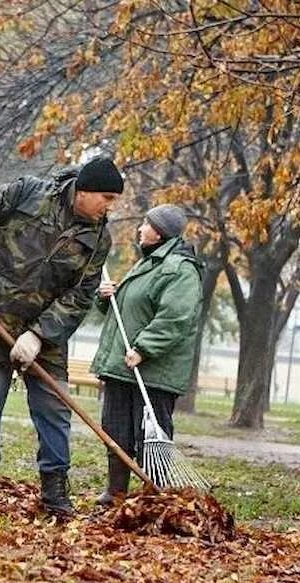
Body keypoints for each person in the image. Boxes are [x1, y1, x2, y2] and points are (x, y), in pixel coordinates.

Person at [0, 156, 124, 518]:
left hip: (46, 334)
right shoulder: (30, 194)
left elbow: (80, 295)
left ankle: (55, 495)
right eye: (107, 197)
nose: (111, 206)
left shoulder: (98, 239)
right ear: (84, 190)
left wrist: (39, 336)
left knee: (55, 410)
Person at [90, 204, 204, 504]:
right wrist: (108, 297)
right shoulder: (147, 263)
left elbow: (176, 317)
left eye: (146, 223)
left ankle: (152, 498)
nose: (140, 228)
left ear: (160, 232)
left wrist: (144, 348)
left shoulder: (179, 269)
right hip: (122, 367)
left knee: (150, 435)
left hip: (152, 372)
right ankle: (115, 493)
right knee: (116, 430)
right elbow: (129, 310)